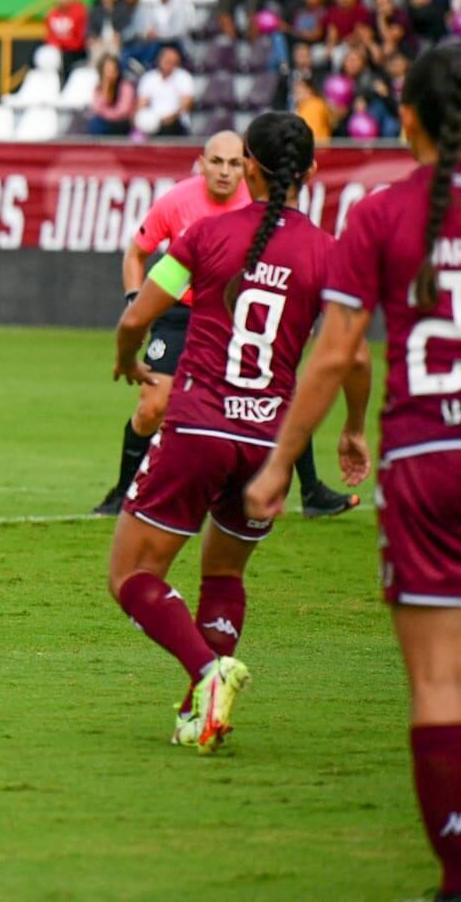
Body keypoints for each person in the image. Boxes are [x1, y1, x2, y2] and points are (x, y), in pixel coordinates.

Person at [245, 43, 461, 898]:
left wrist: (278, 465)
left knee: (438, 681)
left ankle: (454, 874)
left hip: (421, 466)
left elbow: (335, 355)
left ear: (403, 116)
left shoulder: (378, 216)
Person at [111, 111, 371, 753]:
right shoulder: (330, 254)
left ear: (247, 165)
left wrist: (127, 358)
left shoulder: (204, 235)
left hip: (199, 429)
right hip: (267, 447)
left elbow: (140, 313)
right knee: (225, 572)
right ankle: (201, 709)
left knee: (130, 575)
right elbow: (356, 359)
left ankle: (206, 671)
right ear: (312, 172)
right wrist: (355, 429)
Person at [93, 130, 358, 520]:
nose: (224, 171)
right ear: (200, 163)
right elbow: (137, 253)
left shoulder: (260, 205)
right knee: (152, 407)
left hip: (237, 312)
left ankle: (311, 489)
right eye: (216, 162)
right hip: (181, 314)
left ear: (249, 168)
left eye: (234, 163)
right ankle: (123, 491)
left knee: (273, 394)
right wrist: (136, 301)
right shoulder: (177, 202)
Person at [134, 44, 194, 138]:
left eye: (172, 61)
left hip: (175, 122)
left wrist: (170, 118)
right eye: (166, 60)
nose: (168, 64)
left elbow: (186, 105)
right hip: (153, 121)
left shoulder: (184, 77)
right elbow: (142, 103)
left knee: (168, 127)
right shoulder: (149, 78)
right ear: (159, 60)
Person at [87, 54, 135, 135]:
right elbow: (97, 109)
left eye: (113, 69)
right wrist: (106, 88)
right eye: (107, 70)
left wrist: (106, 114)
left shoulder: (126, 86)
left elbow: (123, 111)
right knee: (95, 123)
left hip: (121, 123)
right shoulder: (99, 88)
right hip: (104, 122)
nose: (111, 73)